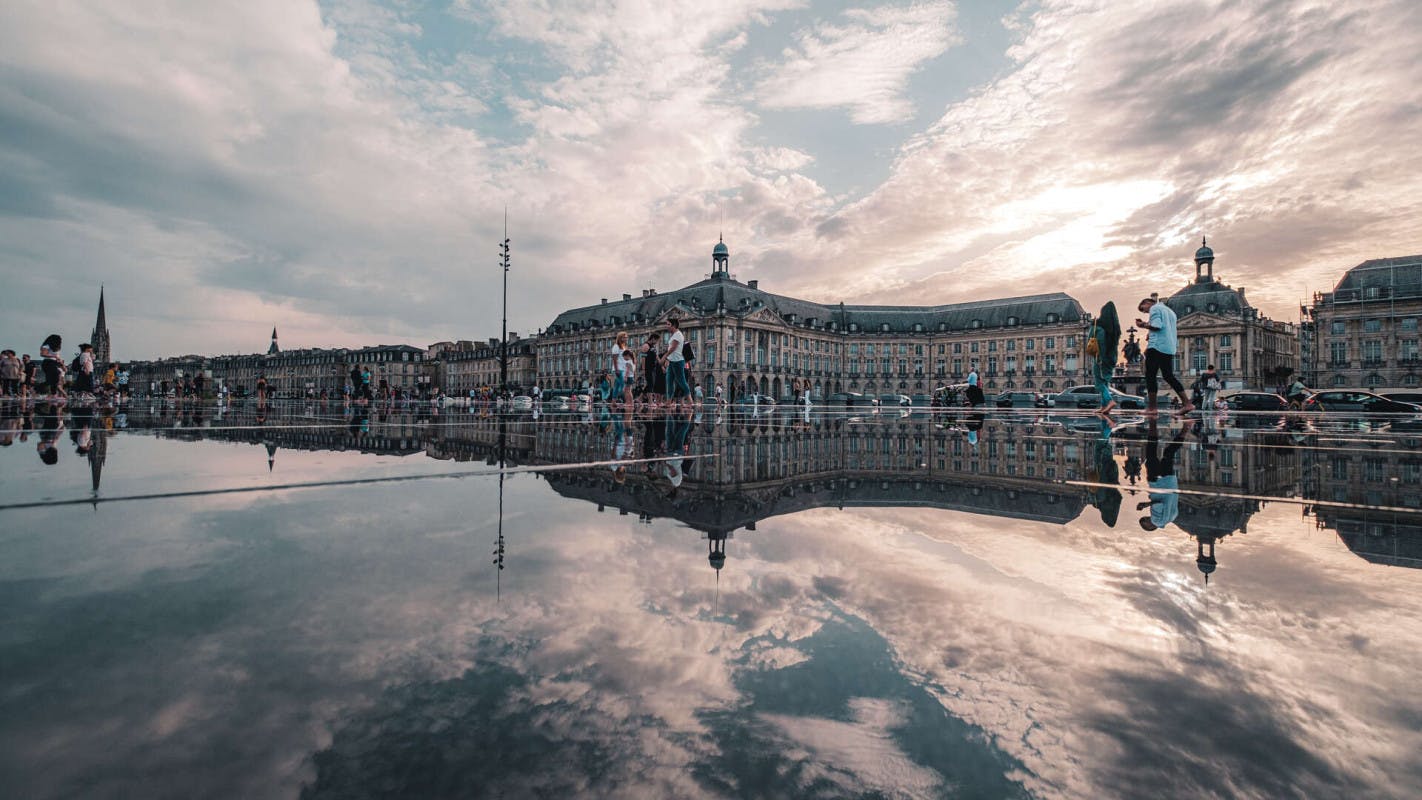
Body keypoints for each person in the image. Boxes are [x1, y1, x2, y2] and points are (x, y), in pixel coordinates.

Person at [1135, 295, 1194, 415]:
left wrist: (1143, 325)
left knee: (1150, 375)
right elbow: (1165, 328)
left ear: (1148, 302)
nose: (1145, 312)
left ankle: (1152, 408)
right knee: (1168, 376)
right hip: (1169, 347)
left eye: (1144, 309)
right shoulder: (1170, 311)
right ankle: (1187, 403)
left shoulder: (1155, 309)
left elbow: (1157, 326)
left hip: (1156, 346)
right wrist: (1149, 330)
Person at [1137, 418, 1194, 531]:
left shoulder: (1172, 517)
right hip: (1158, 482)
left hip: (1170, 482)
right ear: (1150, 526)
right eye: (1145, 521)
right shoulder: (1156, 520)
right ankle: (1153, 422)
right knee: (1151, 453)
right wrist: (1146, 504)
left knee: (1169, 453)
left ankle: (1186, 427)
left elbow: (1168, 501)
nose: (1147, 518)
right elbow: (1159, 504)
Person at [1091, 302, 1122, 416]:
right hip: (1112, 358)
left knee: (1099, 383)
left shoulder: (1098, 326)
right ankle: (1104, 406)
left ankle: (1109, 401)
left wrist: (1092, 325)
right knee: (1105, 382)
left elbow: (1092, 339)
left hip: (1100, 358)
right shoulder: (1115, 330)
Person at [662, 318, 690, 407]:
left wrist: (664, 356)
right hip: (672, 361)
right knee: (669, 381)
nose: (666, 326)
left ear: (673, 325)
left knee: (681, 381)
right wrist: (668, 360)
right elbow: (672, 349)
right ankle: (668, 401)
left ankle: (690, 400)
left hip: (678, 361)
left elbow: (673, 348)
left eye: (668, 324)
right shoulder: (674, 335)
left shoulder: (678, 334)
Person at [39, 334, 64, 402]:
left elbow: (56, 357)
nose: (60, 342)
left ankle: (53, 395)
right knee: (54, 377)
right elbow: (42, 354)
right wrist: (54, 356)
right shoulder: (46, 346)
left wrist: (60, 362)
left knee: (52, 380)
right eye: (59, 340)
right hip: (48, 363)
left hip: (54, 363)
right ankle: (51, 394)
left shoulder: (56, 347)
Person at [611, 332, 628, 406]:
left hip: (622, 368)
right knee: (624, 385)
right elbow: (614, 359)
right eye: (624, 337)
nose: (626, 338)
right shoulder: (616, 346)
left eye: (626, 337)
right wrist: (616, 369)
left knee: (617, 386)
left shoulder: (623, 347)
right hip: (618, 369)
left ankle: (614, 402)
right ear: (620, 338)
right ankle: (627, 401)